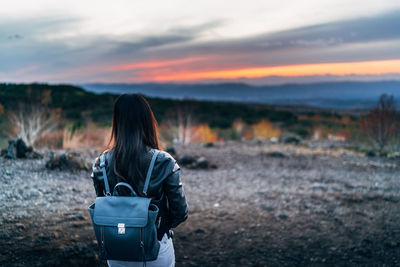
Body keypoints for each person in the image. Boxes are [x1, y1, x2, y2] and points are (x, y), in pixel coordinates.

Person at [90, 93, 189, 267]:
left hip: (116, 249)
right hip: (156, 249)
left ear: (117, 122)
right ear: (147, 120)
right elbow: (180, 212)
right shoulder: (164, 162)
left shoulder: (101, 163)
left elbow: (105, 206)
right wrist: (157, 227)